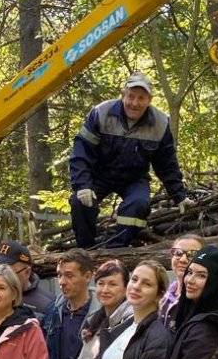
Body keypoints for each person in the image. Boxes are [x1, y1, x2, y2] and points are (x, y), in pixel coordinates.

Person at [69, 73, 189, 248]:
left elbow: (167, 164)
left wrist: (180, 196)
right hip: (99, 174)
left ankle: (117, 249)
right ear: (123, 95)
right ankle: (86, 250)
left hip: (134, 178)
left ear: (149, 100)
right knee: (79, 201)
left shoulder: (160, 123)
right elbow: (82, 151)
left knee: (139, 204)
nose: (134, 103)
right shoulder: (101, 113)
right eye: (131, 96)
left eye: (141, 98)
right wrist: (82, 185)